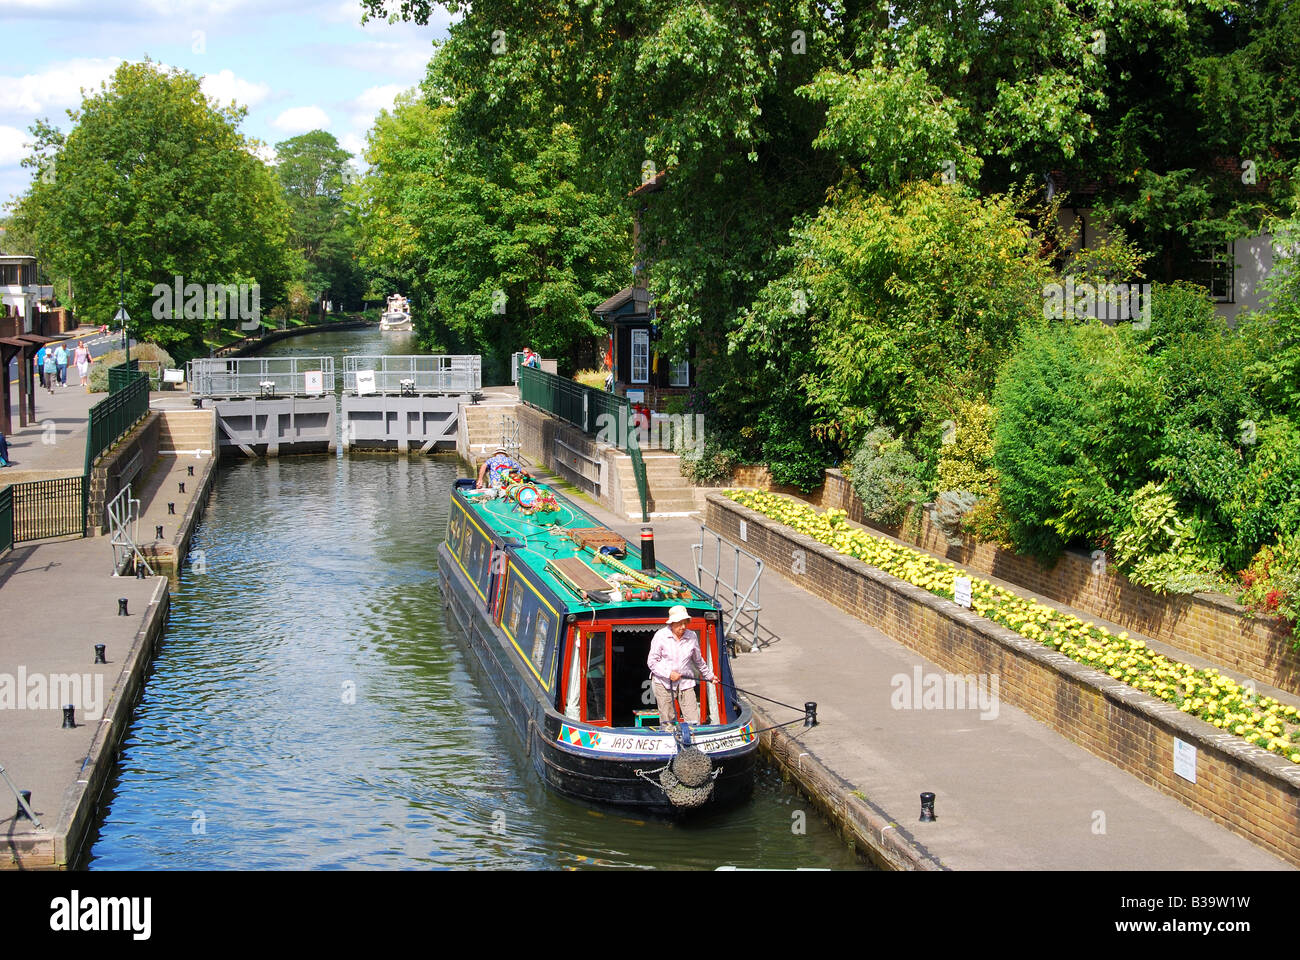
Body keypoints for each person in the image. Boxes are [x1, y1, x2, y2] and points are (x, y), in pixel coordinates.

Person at [647, 605, 719, 728]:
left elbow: (698, 660)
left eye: (685, 623)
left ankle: (692, 740)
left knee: (692, 719)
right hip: (663, 683)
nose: (683, 627)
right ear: (672, 623)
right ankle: (669, 739)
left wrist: (710, 676)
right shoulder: (661, 636)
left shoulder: (692, 636)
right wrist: (669, 674)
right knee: (668, 720)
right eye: (680, 624)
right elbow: (652, 662)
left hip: (686, 682)